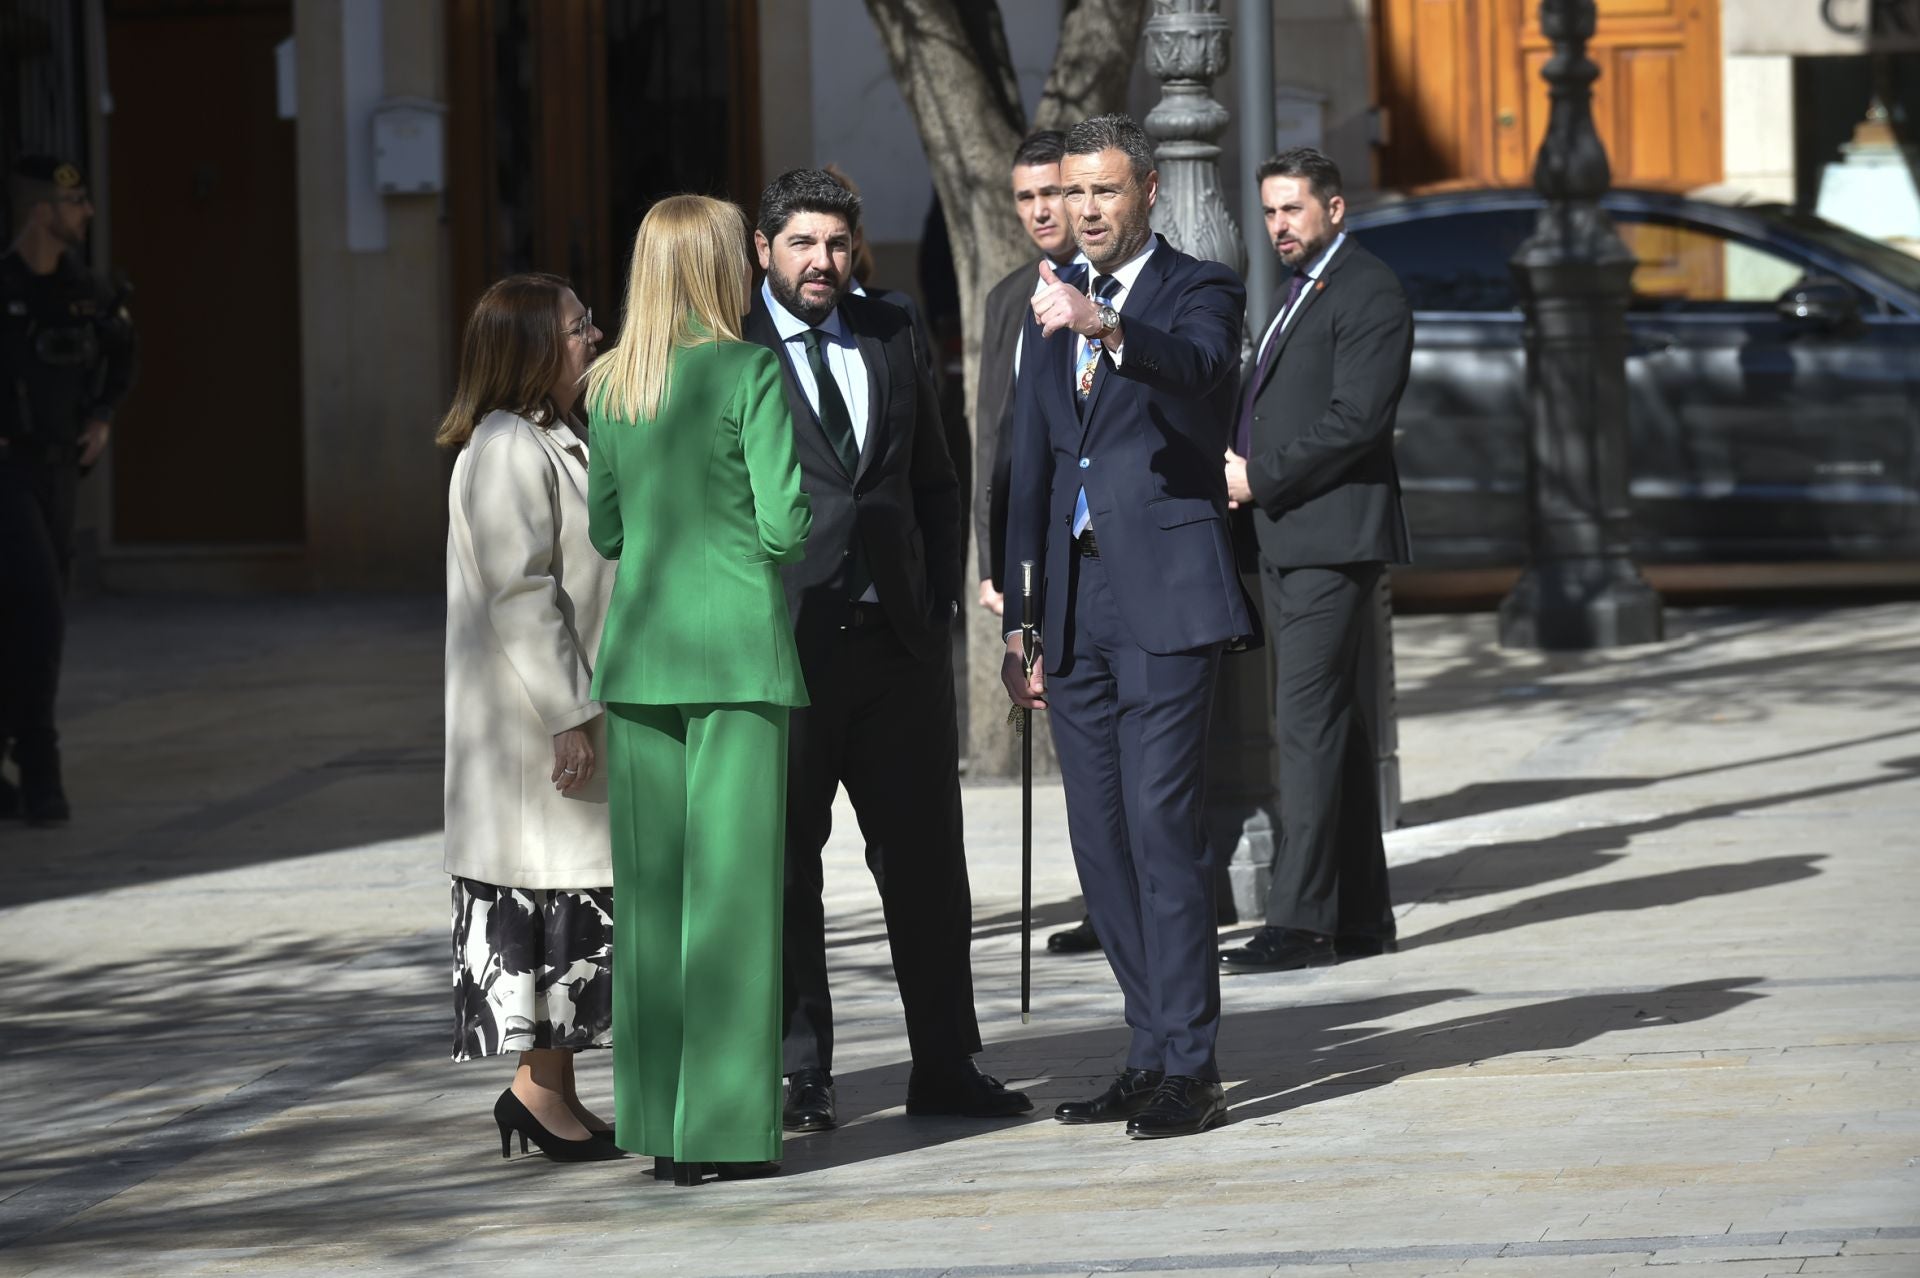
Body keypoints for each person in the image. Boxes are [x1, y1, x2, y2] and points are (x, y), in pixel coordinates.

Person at [744, 168, 1030, 1133]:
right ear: (763, 252)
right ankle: (801, 1073)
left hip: (900, 646)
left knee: (925, 867)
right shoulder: (732, 350)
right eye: (801, 245)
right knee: (787, 868)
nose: (821, 262)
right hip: (784, 653)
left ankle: (946, 1063)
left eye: (835, 244)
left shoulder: (894, 324)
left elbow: (936, 480)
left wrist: (941, 605)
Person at [1002, 114, 1250, 1140]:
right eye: (1075, 193)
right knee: (1099, 846)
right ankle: (1147, 1049)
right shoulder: (1045, 303)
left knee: (1161, 827)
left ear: (1148, 190)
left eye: (1106, 191)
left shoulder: (1199, 286)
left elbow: (1196, 372)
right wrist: (1020, 612)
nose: (1087, 210)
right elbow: (1031, 462)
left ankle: (1192, 1063)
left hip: (1166, 596)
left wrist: (1102, 327)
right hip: (1074, 602)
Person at [586, 195, 812, 1187]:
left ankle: (662, 1128)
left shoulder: (608, 386)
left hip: (640, 658)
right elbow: (784, 526)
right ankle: (722, 1126)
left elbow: (603, 530)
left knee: (651, 902)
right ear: (723, 266)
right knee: (731, 898)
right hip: (735, 662)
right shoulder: (750, 368)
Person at [439, 272, 622, 1164]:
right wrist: (566, 716)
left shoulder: (554, 435)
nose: (594, 337)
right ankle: (533, 1093)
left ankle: (554, 1091)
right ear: (531, 349)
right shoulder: (509, 445)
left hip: (561, 714)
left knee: (571, 899)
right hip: (533, 730)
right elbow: (522, 593)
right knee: (551, 905)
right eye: (579, 327)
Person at [1220, 147, 1412, 973]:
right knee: (1334, 723)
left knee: (1304, 727)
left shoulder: (1368, 288)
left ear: (1335, 208)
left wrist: (1257, 476)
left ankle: (1299, 921)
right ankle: (1363, 915)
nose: (1277, 227)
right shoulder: (1306, 289)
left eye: (1292, 209)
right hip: (1295, 538)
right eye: (1268, 212)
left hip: (1329, 539)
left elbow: (1356, 420)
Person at [971, 129, 1103, 957]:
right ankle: (1100, 893)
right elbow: (996, 437)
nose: (1040, 212)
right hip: (1028, 547)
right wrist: (992, 565)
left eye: (1051, 193)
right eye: (1024, 198)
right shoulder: (1008, 295)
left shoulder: (1107, 291)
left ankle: (1117, 897)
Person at [0, 155, 135, 825]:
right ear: (39, 211)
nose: (85, 212)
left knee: (32, 620)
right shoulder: (4, 287)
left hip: (58, 473)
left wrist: (102, 416)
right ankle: (40, 762)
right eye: (74, 202)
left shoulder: (89, 291)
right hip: (7, 472)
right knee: (39, 609)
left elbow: (122, 352)